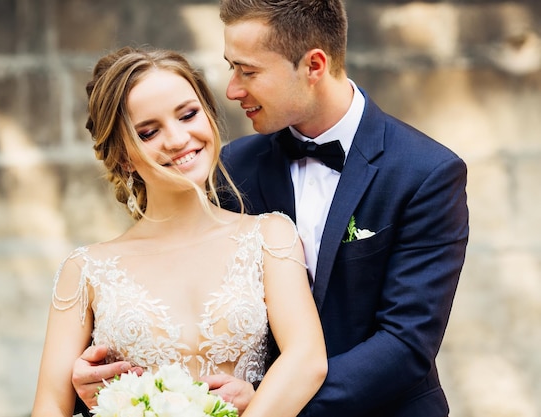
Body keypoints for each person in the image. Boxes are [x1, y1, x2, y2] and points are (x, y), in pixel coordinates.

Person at [72, 1, 469, 416]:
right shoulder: (226, 169)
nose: (232, 90)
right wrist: (102, 386)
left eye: (249, 71)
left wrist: (269, 402)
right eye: (231, 68)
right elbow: (176, 312)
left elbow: (405, 344)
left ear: (313, 65)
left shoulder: (426, 173)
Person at [30, 46, 327, 417]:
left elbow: (307, 360)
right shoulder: (86, 270)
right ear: (124, 155)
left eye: (188, 115)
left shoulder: (270, 237)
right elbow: (49, 408)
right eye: (149, 132)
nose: (177, 139)